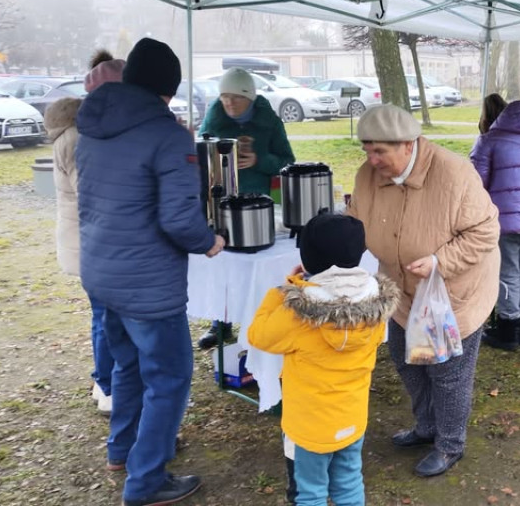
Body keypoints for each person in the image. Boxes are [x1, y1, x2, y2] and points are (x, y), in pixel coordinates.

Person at [76, 37, 224, 506]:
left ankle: (122, 450)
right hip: (147, 285)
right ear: (169, 88)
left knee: (128, 366)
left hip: (101, 271)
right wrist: (210, 241)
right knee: (170, 378)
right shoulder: (167, 134)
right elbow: (178, 219)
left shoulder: (93, 123)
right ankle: (146, 482)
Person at [346, 104, 500, 478]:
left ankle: (449, 444)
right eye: (366, 149)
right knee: (406, 360)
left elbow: (485, 231)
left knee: (446, 373)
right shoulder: (368, 175)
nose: (372, 159)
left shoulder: (453, 173)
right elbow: (354, 224)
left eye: (379, 151)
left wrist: (438, 262)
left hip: (452, 293)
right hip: (401, 289)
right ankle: (426, 426)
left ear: (408, 144)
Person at [248, 212, 399, 506]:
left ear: (307, 261)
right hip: (352, 417)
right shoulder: (376, 306)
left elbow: (259, 335)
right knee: (349, 483)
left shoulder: (297, 314)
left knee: (311, 492)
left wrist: (287, 291)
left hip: (309, 426)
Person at [43, 49, 125, 416]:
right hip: (91, 244)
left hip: (89, 243)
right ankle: (107, 386)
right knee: (105, 316)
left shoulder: (80, 131)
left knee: (104, 315)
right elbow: (91, 196)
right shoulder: (77, 137)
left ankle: (102, 380)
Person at [195, 67, 296, 350]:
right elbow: (202, 157)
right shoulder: (214, 121)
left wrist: (259, 161)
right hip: (222, 205)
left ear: (249, 97)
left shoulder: (269, 122)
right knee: (223, 264)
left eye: (235, 98)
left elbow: (288, 160)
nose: (229, 103)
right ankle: (220, 324)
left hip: (258, 206)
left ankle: (260, 323)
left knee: (255, 267)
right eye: (224, 97)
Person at [470, 94, 520, 351]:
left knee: (506, 273)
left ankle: (508, 328)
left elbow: (475, 181)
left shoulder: (489, 140)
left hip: (505, 219)